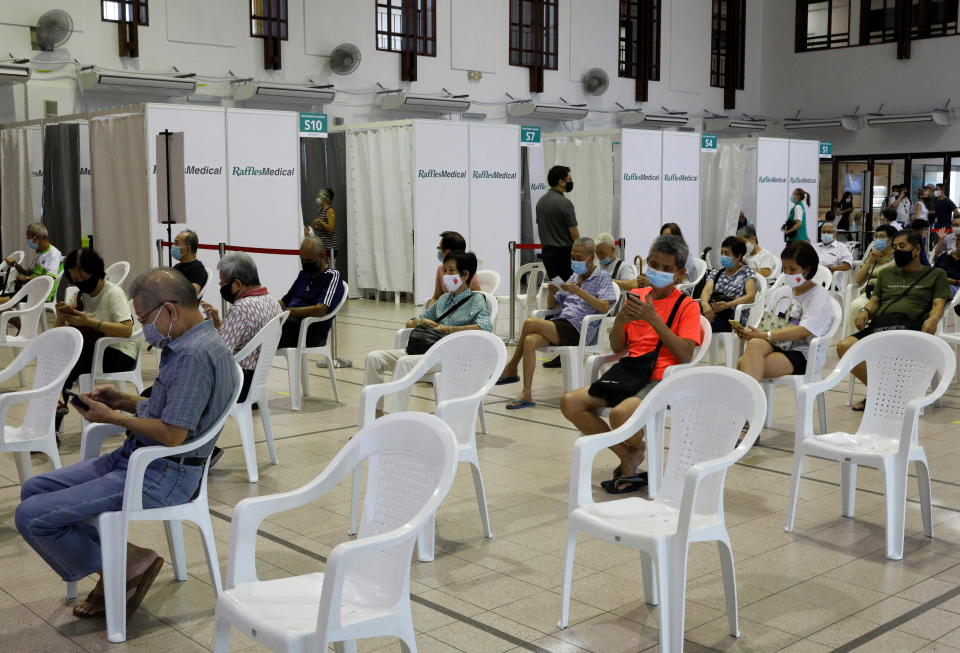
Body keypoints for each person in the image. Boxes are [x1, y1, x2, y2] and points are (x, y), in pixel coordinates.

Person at [15, 268, 237, 620]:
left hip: (163, 474)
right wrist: (122, 401)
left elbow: (172, 434)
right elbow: (173, 412)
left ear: (169, 309)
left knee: (32, 517)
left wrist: (111, 418)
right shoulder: (187, 343)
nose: (143, 327)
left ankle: (122, 566)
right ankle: (126, 561)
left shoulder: (194, 355)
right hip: (140, 457)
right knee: (35, 487)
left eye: (143, 318)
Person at [559, 235, 702, 494]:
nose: (657, 272)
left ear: (680, 274)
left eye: (666, 269)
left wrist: (655, 319)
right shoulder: (636, 296)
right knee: (570, 402)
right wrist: (622, 320)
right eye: (654, 264)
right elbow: (616, 347)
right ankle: (629, 454)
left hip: (661, 376)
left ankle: (631, 453)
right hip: (629, 371)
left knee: (620, 415)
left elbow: (685, 355)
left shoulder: (687, 306)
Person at [364, 251, 491, 416]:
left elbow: (485, 328)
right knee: (374, 358)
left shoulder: (477, 300)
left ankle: (391, 420)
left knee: (405, 362)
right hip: (425, 350)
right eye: (444, 270)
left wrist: (450, 329)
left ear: (465, 275)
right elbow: (411, 322)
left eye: (450, 271)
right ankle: (375, 414)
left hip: (452, 355)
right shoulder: (444, 299)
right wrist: (421, 321)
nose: (445, 275)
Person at [838, 229, 951, 411]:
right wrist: (865, 311)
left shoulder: (935, 274)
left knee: (888, 353)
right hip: (881, 325)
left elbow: (938, 305)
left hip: (910, 328)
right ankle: (885, 393)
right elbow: (874, 302)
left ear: (916, 249)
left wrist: (933, 320)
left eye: (902, 246)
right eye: (895, 246)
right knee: (844, 347)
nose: (897, 250)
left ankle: (880, 396)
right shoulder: (886, 274)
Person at [497, 237, 616, 410]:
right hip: (562, 324)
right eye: (572, 257)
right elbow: (553, 307)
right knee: (530, 341)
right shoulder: (574, 276)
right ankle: (526, 393)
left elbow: (604, 307)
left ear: (591, 258)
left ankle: (511, 367)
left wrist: (579, 291)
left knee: (530, 322)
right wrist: (552, 293)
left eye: (578, 258)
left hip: (580, 329)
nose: (574, 261)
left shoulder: (603, 277)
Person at [55, 248, 138, 424]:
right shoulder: (79, 296)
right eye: (75, 279)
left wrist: (89, 322)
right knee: (58, 359)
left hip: (120, 352)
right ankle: (58, 406)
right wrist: (61, 316)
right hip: (94, 350)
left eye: (82, 277)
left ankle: (60, 405)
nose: (80, 283)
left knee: (71, 361)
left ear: (95, 272)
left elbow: (126, 330)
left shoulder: (113, 293)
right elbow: (56, 335)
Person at [735, 242, 834, 384]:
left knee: (744, 364)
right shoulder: (782, 292)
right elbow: (768, 322)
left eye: (792, 270)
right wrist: (751, 332)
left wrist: (764, 335)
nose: (787, 274)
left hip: (804, 353)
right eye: (784, 268)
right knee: (755, 344)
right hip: (778, 343)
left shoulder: (819, 296)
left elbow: (803, 331)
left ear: (806, 270)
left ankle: (751, 404)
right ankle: (753, 404)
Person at [200, 253, 282, 403]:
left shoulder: (241, 307)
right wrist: (219, 323)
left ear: (237, 284)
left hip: (237, 384)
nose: (221, 288)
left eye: (222, 284)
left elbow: (219, 354)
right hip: (256, 381)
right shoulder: (273, 302)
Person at [278, 237, 345, 349]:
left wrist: (288, 312)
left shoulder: (332, 276)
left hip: (310, 331)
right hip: (290, 324)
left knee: (263, 336)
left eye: (309, 261)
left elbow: (320, 310)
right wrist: (266, 305)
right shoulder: (303, 274)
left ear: (322, 255)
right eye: (302, 260)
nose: (305, 263)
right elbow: (285, 302)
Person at [847, 224, 898, 333]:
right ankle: (852, 340)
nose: (879, 240)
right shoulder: (874, 254)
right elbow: (858, 280)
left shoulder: (897, 255)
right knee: (856, 305)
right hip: (870, 293)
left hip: (889, 294)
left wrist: (872, 272)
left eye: (882, 237)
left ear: (891, 239)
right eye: (877, 237)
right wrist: (870, 259)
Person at [700, 236, 757, 332]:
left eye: (726, 253)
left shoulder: (746, 272)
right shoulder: (716, 273)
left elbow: (751, 297)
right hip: (712, 313)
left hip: (733, 319)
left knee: (700, 326)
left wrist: (728, 305)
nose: (723, 256)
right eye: (721, 253)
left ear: (738, 256)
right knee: (690, 320)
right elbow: (706, 291)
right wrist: (705, 304)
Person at [536, 165, 579, 281]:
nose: (571, 182)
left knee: (556, 287)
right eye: (569, 180)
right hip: (564, 254)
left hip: (547, 254)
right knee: (569, 289)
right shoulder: (565, 203)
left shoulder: (541, 202)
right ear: (561, 182)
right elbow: (574, 234)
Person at [1, 222, 62, 303]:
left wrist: (27, 278)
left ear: (37, 237)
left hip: (42, 294)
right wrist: (15, 264)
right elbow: (28, 273)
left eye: (28, 236)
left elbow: (50, 277)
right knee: (3, 298)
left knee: (3, 301)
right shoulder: (39, 254)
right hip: (31, 290)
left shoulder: (53, 254)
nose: (27, 239)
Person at [426, 231, 480, 307]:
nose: (439, 252)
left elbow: (477, 297)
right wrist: (430, 308)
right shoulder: (440, 269)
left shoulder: (468, 271)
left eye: (440, 248)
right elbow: (436, 297)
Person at [171, 229, 208, 296]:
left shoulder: (197, 268)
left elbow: (192, 294)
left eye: (176, 243)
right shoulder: (176, 267)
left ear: (188, 249)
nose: (173, 246)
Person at [307, 188, 337, 256]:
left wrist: (320, 221)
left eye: (319, 196)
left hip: (330, 247)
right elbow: (321, 227)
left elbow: (331, 229)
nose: (318, 198)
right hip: (322, 246)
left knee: (329, 266)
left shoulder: (330, 211)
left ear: (325, 198)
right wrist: (313, 227)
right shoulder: (321, 210)